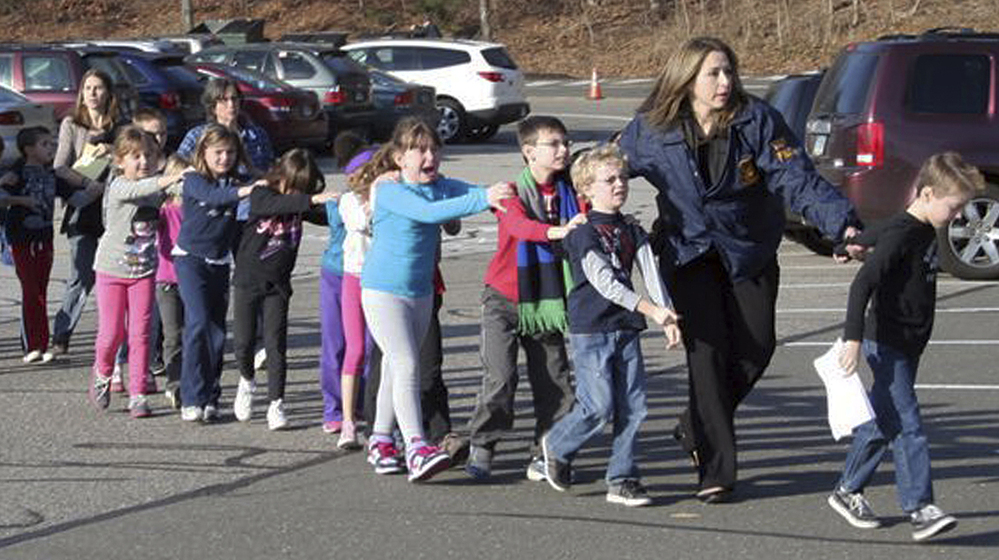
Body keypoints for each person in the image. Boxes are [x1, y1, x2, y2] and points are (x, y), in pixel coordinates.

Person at [618, 36, 862, 503]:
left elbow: (799, 179)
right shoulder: (652, 129)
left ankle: (695, 425)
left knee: (756, 348)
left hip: (747, 249)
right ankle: (715, 469)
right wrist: (563, 199)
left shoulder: (757, 121)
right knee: (706, 358)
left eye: (729, 71)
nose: (725, 82)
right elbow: (604, 169)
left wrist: (843, 226)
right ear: (687, 79)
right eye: (714, 73)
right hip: (686, 253)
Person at [827, 152, 982, 541]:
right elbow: (863, 284)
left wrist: (850, 245)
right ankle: (920, 508)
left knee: (882, 421)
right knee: (908, 426)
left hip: (908, 343)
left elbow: (876, 232)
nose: (959, 215)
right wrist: (852, 339)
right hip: (887, 343)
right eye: (954, 206)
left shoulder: (918, 226)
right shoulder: (905, 232)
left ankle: (847, 490)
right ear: (928, 194)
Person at [360, 117, 512, 482]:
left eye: (434, 149)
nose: (430, 156)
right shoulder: (392, 191)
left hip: (420, 291)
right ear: (399, 158)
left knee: (397, 369)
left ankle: (381, 440)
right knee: (407, 363)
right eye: (419, 150)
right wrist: (483, 198)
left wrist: (502, 192)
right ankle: (416, 447)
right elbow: (429, 213)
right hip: (382, 290)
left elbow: (468, 192)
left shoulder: (440, 186)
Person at [540, 144, 682, 506]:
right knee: (599, 407)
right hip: (592, 328)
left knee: (634, 407)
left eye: (622, 177)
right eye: (609, 179)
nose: (619, 184)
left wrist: (667, 313)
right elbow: (604, 281)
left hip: (626, 327)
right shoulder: (582, 233)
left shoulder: (631, 228)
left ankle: (622, 478)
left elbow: (649, 270)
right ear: (586, 188)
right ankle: (556, 445)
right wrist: (651, 310)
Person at [464, 115, 586, 480]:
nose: (563, 150)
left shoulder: (573, 191)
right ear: (529, 152)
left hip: (547, 301)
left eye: (566, 142)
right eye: (554, 144)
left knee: (554, 380)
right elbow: (518, 227)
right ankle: (483, 443)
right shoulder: (510, 194)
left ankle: (548, 449)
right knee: (500, 379)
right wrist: (558, 230)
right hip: (504, 297)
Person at [231, 149, 335, 430]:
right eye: (295, 185)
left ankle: (276, 403)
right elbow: (274, 206)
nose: (298, 193)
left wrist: (344, 205)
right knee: (243, 342)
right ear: (283, 176)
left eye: (303, 189)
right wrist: (310, 199)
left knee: (276, 345)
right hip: (247, 280)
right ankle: (246, 380)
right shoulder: (261, 193)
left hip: (277, 285)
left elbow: (325, 214)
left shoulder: (300, 204)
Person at [86, 126, 184, 417]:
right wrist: (171, 177)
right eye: (135, 157)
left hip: (143, 271)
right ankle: (103, 372)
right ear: (119, 161)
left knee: (141, 333)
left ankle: (138, 392)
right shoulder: (118, 186)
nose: (143, 162)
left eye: (149, 156)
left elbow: (181, 190)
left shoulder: (157, 184)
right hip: (111, 270)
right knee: (111, 333)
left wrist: (196, 181)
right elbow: (141, 189)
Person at [174, 125, 255, 423]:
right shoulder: (193, 179)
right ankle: (190, 397)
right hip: (190, 260)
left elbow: (269, 183)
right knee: (197, 323)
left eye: (230, 152)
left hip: (219, 262)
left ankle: (210, 395)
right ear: (203, 153)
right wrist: (247, 190)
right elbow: (215, 197)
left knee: (217, 331)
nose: (224, 158)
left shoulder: (238, 180)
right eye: (217, 152)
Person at [0, 127, 92, 364]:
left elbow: (77, 199)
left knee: (40, 290)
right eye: (44, 144)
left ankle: (41, 345)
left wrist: (96, 189)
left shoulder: (53, 175)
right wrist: (21, 200)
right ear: (28, 149)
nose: (51, 148)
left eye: (52, 144)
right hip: (21, 238)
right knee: (31, 291)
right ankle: (32, 345)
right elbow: (2, 195)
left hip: (45, 238)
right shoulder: (16, 172)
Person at [49, 69, 123, 358]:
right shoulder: (72, 123)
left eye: (98, 88)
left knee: (114, 276)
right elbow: (59, 166)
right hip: (83, 207)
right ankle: (62, 333)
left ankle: (115, 338)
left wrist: (111, 155)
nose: (92, 93)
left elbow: (132, 162)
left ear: (108, 93)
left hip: (113, 210)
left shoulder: (120, 126)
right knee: (81, 275)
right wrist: (87, 183)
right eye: (87, 88)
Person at [318, 134, 374, 436]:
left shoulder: (383, 196)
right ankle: (335, 409)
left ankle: (363, 403)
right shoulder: (344, 202)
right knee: (337, 344)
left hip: (372, 278)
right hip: (338, 274)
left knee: (367, 344)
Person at [336, 149, 378, 448]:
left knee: (383, 350)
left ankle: (379, 417)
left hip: (382, 280)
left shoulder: (389, 195)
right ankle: (348, 421)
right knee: (357, 349)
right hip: (355, 277)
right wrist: (375, 197)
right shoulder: (349, 201)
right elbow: (362, 223)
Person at [156, 155, 189, 409]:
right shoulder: (162, 210)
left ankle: (192, 380)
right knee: (173, 335)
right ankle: (174, 383)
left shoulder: (195, 208)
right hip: (167, 280)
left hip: (192, 277)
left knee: (193, 333)